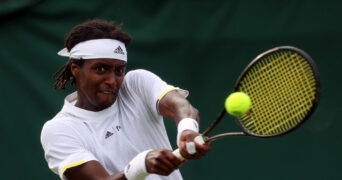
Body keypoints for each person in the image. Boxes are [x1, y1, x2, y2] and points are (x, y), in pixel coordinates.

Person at [40, 19, 210, 180]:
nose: (112, 81)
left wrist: (187, 129)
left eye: (119, 70)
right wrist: (141, 165)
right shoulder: (59, 130)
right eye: (101, 68)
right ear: (75, 69)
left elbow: (179, 105)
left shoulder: (136, 83)